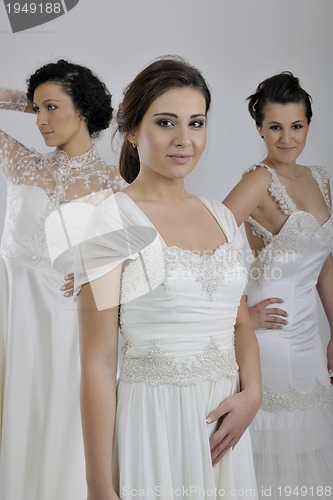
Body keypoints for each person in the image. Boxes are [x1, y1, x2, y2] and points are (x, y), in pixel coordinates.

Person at [68, 55, 261, 500]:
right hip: (155, 424)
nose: (184, 140)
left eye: (196, 123)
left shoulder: (222, 218)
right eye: (166, 122)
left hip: (225, 426)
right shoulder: (108, 222)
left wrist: (253, 394)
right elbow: (97, 362)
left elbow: (241, 323)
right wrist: (98, 483)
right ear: (132, 131)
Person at [0, 59, 125, 500]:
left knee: (58, 439)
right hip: (11, 318)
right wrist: (26, 98)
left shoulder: (114, 186)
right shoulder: (23, 164)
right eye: (36, 110)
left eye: (52, 108)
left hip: (64, 330)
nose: (40, 121)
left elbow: (135, 272)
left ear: (84, 111)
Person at [223, 71, 333, 498]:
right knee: (274, 449)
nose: (287, 139)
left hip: (307, 333)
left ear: (308, 125)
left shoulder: (321, 178)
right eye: (275, 127)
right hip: (270, 336)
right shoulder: (258, 180)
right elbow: (206, 241)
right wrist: (241, 316)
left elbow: (323, 263)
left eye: (297, 126)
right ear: (259, 129)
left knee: (310, 448)